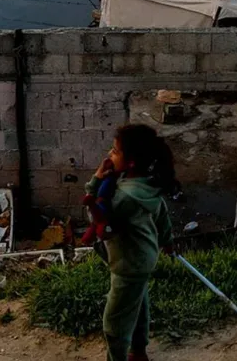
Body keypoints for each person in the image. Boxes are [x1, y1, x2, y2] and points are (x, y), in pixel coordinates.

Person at [86, 124, 176, 361]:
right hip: (142, 257)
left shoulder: (124, 197)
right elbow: (162, 214)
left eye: (115, 151)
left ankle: (118, 357)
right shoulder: (146, 185)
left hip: (128, 264)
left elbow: (97, 219)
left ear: (131, 162)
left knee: (114, 321)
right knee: (137, 305)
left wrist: (95, 181)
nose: (109, 155)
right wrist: (167, 240)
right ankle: (139, 351)